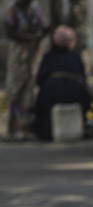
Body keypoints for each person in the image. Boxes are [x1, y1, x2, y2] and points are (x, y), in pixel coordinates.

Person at [32, 25, 89, 141]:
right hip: (75, 93)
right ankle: (86, 126)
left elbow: (39, 80)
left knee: (40, 106)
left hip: (51, 94)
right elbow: (83, 77)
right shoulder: (76, 56)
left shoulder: (48, 56)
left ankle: (43, 133)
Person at [4, 0, 46, 140]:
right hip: (17, 53)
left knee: (29, 90)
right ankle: (12, 129)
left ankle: (26, 128)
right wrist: (28, 37)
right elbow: (10, 32)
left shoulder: (34, 11)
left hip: (32, 53)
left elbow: (41, 29)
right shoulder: (12, 11)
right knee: (15, 89)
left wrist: (36, 37)